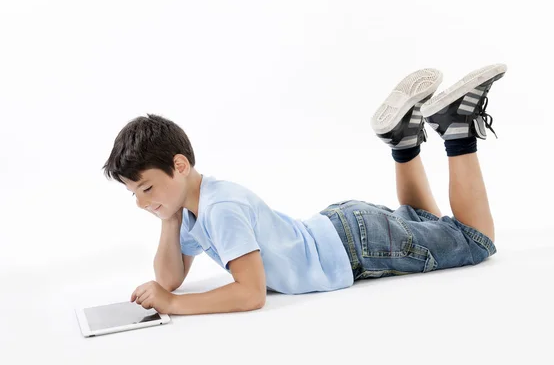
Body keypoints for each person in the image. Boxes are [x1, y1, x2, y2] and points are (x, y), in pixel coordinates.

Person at [102, 63, 506, 315]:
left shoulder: (219, 209)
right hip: (344, 232)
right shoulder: (193, 209)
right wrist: (166, 217)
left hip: (354, 247)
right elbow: (169, 278)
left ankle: (456, 129)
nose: (142, 202)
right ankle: (403, 142)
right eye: (135, 194)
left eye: (147, 188)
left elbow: (251, 293)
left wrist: (175, 306)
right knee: (428, 224)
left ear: (180, 165)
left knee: (475, 242)